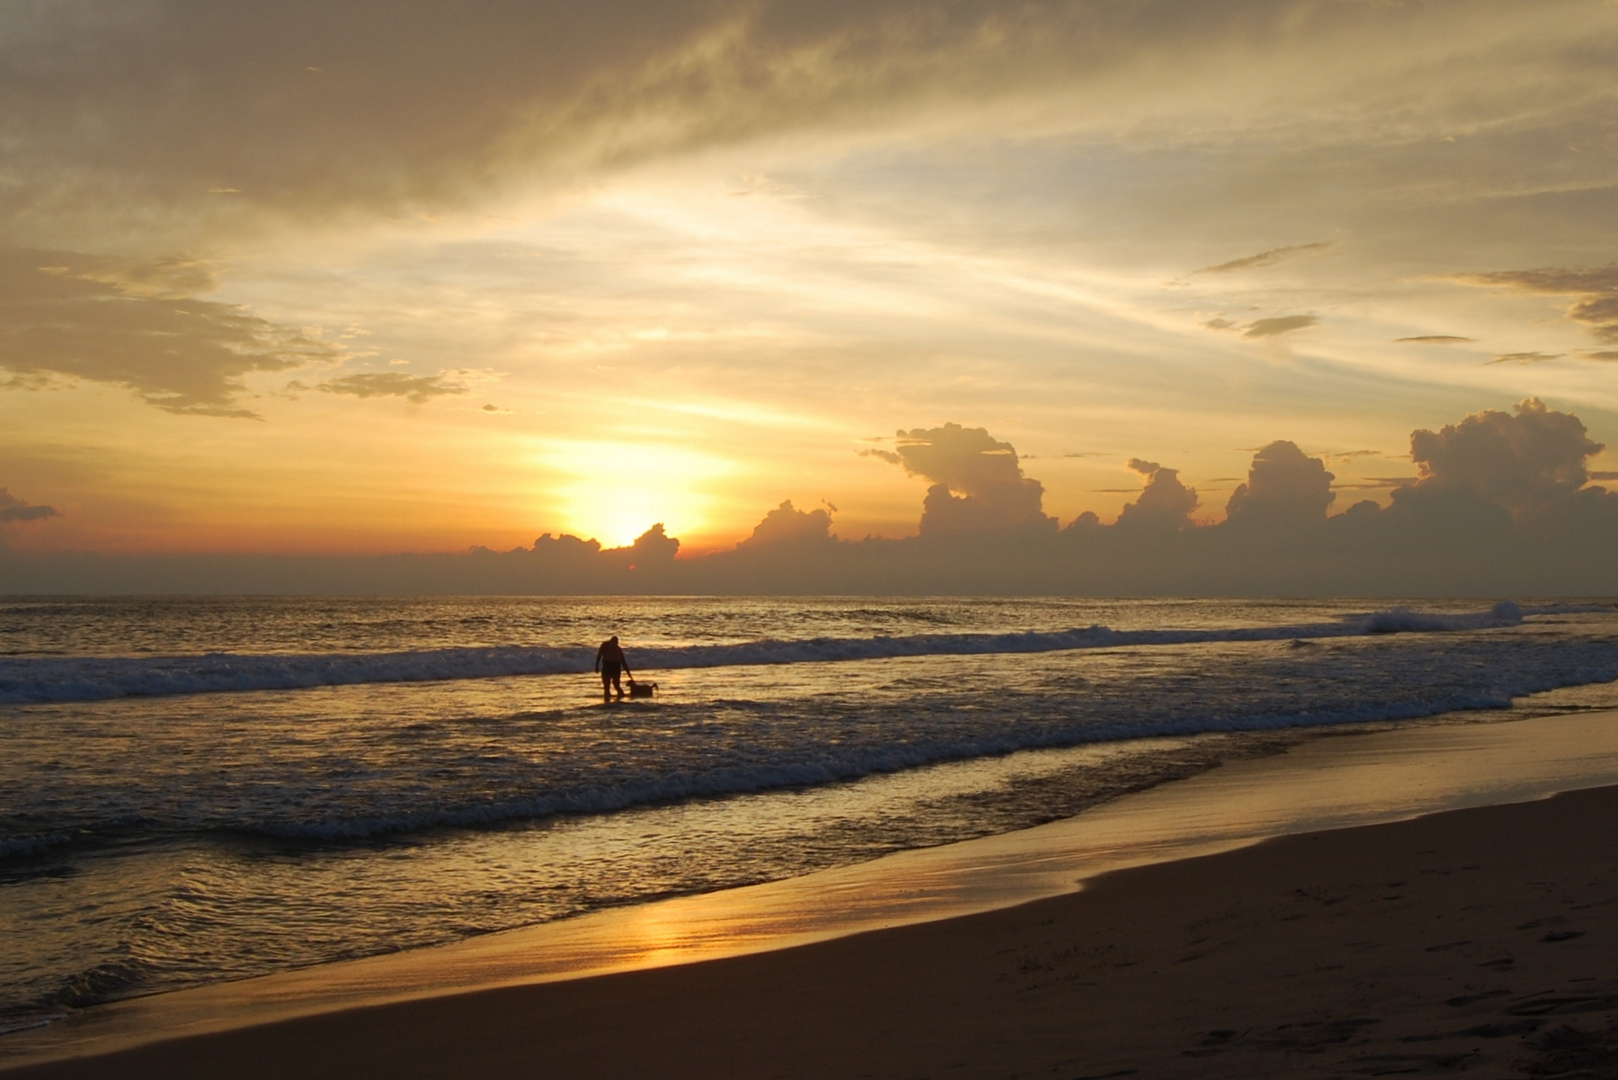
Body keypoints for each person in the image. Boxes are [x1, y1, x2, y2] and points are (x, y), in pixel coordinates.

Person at [594, 635, 631, 703]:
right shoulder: (618, 649)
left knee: (606, 687)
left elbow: (599, 655)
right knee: (617, 686)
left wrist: (596, 666)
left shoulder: (605, 644)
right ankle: (621, 699)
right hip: (616, 666)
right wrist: (628, 673)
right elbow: (623, 662)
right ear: (616, 642)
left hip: (607, 665)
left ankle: (607, 702)